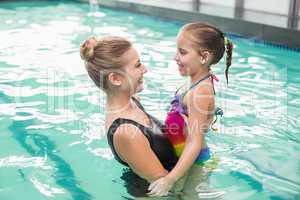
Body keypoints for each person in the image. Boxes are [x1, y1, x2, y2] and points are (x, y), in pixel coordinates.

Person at [80, 36, 180, 198]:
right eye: (138, 65)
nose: (145, 69)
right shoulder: (126, 132)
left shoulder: (133, 101)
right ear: (115, 79)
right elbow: (165, 186)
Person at [147, 22, 233, 198]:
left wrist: (169, 179)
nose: (175, 57)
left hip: (194, 163)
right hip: (183, 156)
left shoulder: (200, 91)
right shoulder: (194, 82)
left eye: (183, 52)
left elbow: (194, 141)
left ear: (204, 57)